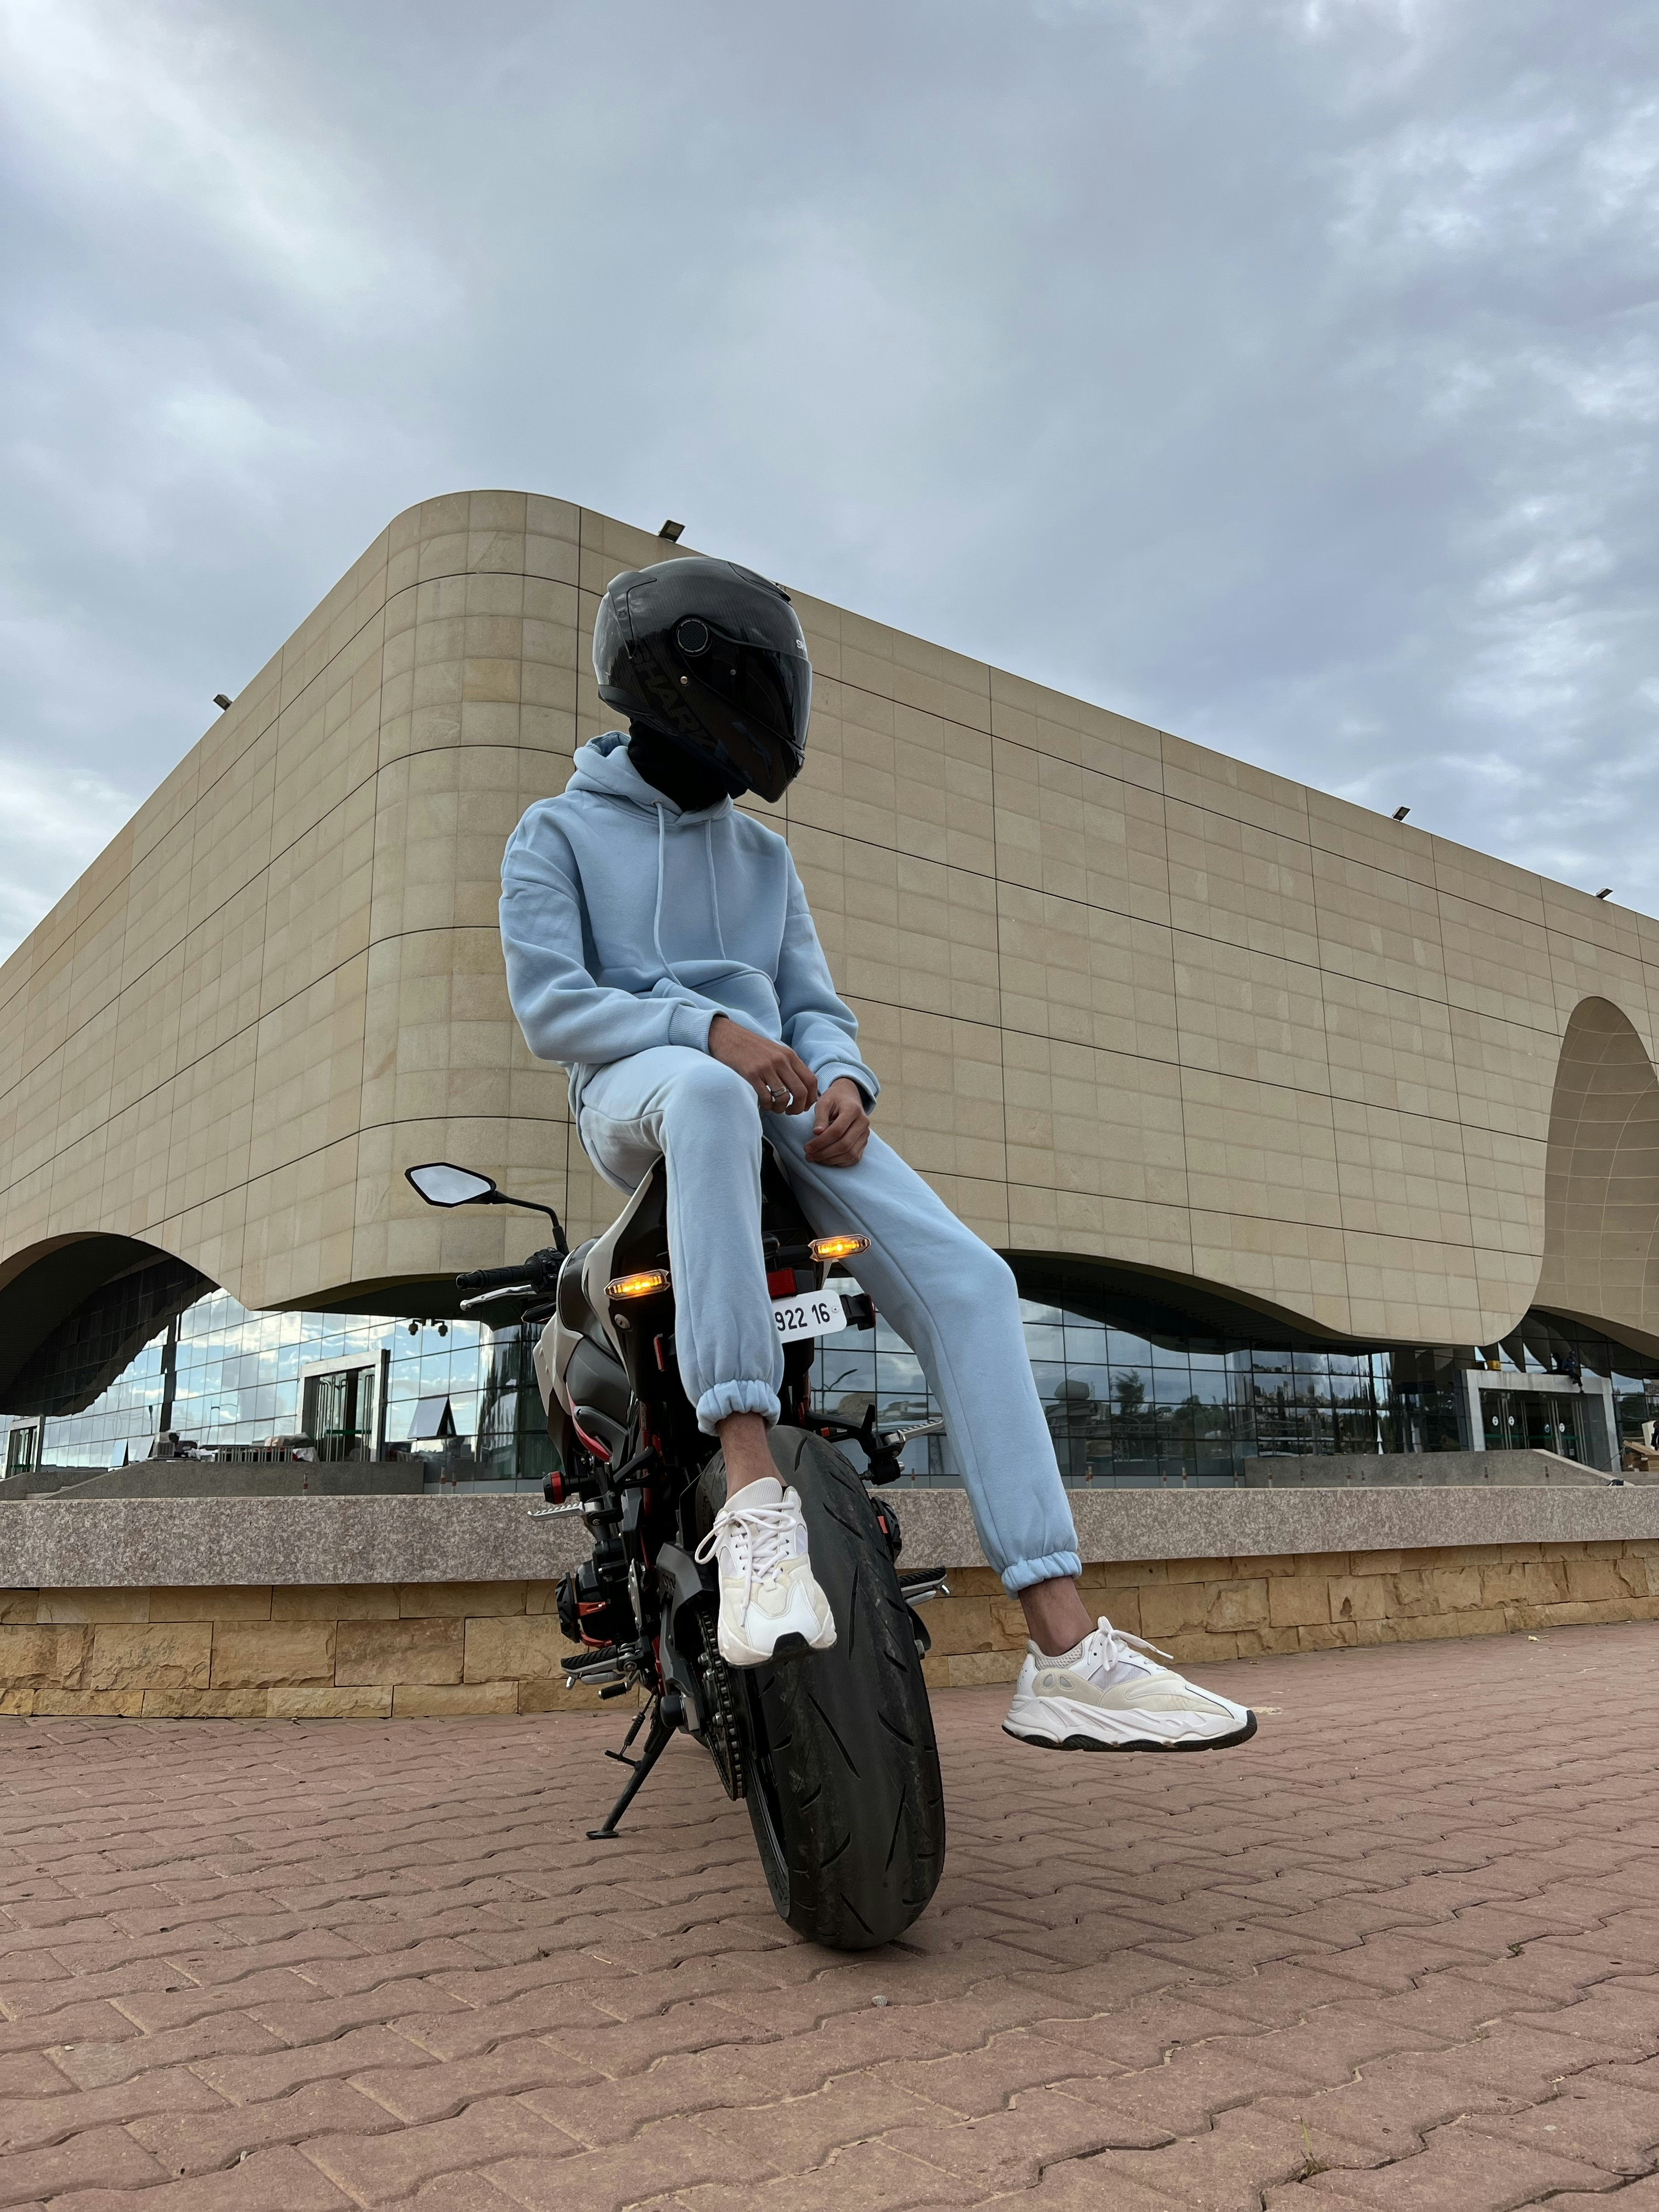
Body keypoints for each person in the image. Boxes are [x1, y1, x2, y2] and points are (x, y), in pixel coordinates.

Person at [500, 554, 1255, 1754]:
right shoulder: (554, 835)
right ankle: (752, 1499)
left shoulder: (762, 861)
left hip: (780, 1092)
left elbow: (815, 1003)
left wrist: (844, 1077)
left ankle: (1063, 1646)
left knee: (973, 1283)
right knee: (705, 1095)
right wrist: (708, 1028)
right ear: (681, 685)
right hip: (641, 1089)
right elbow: (555, 1008)